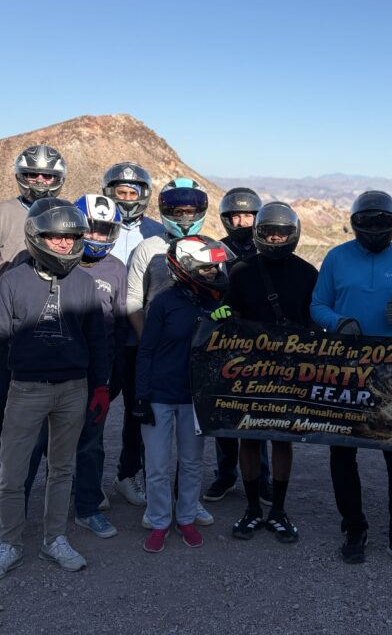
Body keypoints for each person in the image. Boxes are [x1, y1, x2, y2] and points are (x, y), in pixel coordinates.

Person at [0, 198, 110, 581]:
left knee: (62, 469)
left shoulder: (84, 284)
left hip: (73, 389)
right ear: (36, 236)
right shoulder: (13, 283)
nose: (64, 244)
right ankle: (10, 543)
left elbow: (98, 342)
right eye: (54, 237)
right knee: (12, 472)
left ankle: (55, 539)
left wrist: (100, 387)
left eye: (69, 237)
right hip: (26, 389)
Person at [310, 190, 392, 568]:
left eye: (382, 222)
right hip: (346, 365)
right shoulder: (336, 257)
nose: (375, 229)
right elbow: (317, 306)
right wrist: (338, 322)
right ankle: (354, 529)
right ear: (355, 224)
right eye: (367, 222)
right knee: (343, 452)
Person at [0, 144, 67, 514]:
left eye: (48, 176)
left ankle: (38, 483)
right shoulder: (2, 211)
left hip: (48, 320)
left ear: (59, 180)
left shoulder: (62, 212)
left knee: (46, 409)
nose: (40, 181)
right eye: (33, 174)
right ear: (20, 176)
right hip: (5, 322)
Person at [134, 235, 235, 552]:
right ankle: (159, 520)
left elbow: (226, 352)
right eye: (206, 268)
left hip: (195, 396)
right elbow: (146, 350)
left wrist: (224, 324)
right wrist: (141, 395)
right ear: (187, 268)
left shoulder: (215, 303)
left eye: (214, 267)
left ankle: (187, 517)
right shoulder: (163, 303)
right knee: (158, 465)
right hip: (161, 395)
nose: (213, 272)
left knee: (192, 463)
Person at [224, 202, 318, 543]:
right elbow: (227, 317)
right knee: (248, 439)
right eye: (269, 232)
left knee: (282, 439)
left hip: (289, 371)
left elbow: (314, 323)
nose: (275, 238)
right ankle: (252, 508)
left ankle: (277, 509)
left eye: (281, 232)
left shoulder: (308, 273)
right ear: (258, 233)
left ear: (293, 234)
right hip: (248, 368)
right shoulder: (238, 270)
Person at [124, 178, 215, 527]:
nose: (185, 216)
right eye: (178, 211)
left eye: (191, 211)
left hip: (198, 358)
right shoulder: (149, 248)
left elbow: (220, 298)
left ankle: (189, 504)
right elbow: (133, 300)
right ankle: (159, 506)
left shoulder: (212, 246)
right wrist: (150, 342)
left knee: (193, 444)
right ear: (166, 213)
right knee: (156, 436)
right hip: (156, 353)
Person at [204, 186, 273, 505]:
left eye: (247, 214)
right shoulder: (217, 250)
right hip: (225, 339)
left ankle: (263, 478)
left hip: (260, 341)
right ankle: (226, 474)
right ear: (225, 219)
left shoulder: (267, 250)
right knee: (224, 409)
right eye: (235, 215)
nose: (241, 220)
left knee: (260, 411)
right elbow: (208, 287)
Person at [101, 162, 163, 510]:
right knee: (91, 407)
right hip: (104, 333)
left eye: (133, 192)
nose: (126, 198)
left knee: (137, 411)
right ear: (108, 192)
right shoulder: (95, 226)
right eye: (120, 192)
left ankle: (128, 474)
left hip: (141, 335)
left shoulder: (156, 230)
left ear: (144, 195)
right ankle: (84, 475)